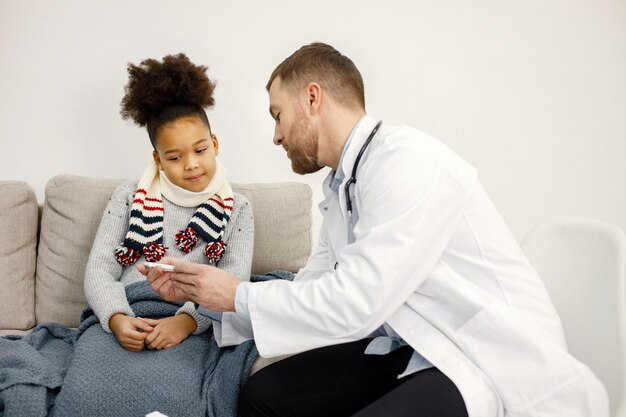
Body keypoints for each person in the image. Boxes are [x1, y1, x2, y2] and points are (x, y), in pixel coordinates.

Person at [142, 43, 609, 416]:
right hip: (414, 344)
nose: (277, 135)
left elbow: (355, 304)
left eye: (277, 114)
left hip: (480, 358)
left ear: (312, 98)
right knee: (264, 397)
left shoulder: (407, 164)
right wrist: (208, 299)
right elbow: (313, 291)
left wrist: (234, 295)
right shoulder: (343, 186)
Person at [85, 53, 254, 352]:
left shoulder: (237, 208)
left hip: (193, 320)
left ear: (214, 144)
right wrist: (117, 318)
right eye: (175, 157)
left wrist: (185, 323)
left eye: (200, 150)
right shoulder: (128, 196)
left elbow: (233, 281)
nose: (190, 164)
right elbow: (100, 269)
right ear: (158, 160)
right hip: (127, 311)